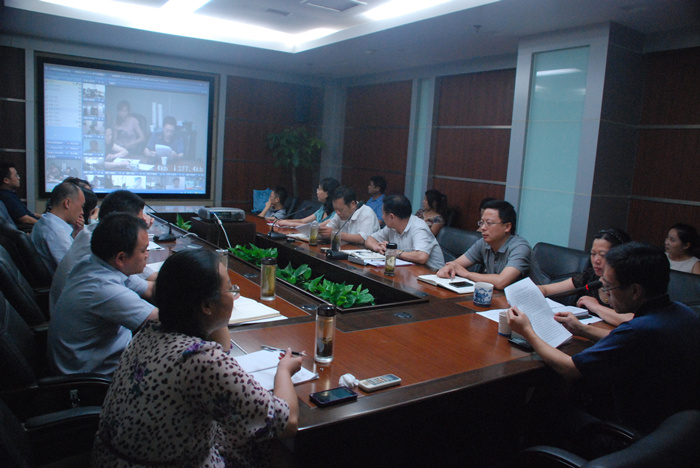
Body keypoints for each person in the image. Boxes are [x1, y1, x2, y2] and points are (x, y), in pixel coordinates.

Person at [92, 249, 303, 466]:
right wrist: (283, 370)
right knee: (276, 448)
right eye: (230, 289)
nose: (233, 296)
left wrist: (215, 315)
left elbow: (222, 350)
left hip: (112, 458)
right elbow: (287, 422)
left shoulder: (151, 330)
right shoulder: (201, 360)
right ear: (206, 305)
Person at [508, 242, 700, 433]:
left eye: (608, 286)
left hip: (629, 429)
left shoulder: (638, 330)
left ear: (635, 291)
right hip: (678, 427)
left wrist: (527, 331)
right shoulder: (682, 312)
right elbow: (623, 340)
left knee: (542, 403)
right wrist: (582, 329)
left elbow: (569, 368)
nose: (606, 293)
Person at [48, 213, 158, 375]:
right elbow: (162, 321)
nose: (147, 255)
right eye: (143, 251)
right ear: (121, 258)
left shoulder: (95, 263)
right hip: (96, 377)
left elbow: (149, 289)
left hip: (108, 355)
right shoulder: (103, 288)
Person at [50, 190, 155, 312]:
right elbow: (150, 281)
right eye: (139, 221)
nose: (142, 224)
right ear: (122, 221)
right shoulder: (106, 247)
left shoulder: (93, 234)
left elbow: (146, 285)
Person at [538, 228, 633, 326]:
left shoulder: (628, 287)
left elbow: (634, 320)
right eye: (593, 254)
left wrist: (596, 307)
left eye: (602, 255)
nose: (596, 260)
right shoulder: (590, 277)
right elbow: (546, 289)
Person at [436, 199, 530, 289]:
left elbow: (501, 282)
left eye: (489, 223)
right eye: (481, 223)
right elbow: (456, 264)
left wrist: (467, 274)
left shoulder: (520, 247)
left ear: (507, 227)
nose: (483, 228)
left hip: (521, 298)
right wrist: (450, 267)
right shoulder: (484, 243)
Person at [365, 194, 445, 270]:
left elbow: (421, 257)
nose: (382, 217)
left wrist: (394, 252)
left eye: (383, 213)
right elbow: (370, 239)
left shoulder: (419, 228)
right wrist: (378, 247)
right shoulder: (391, 227)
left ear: (392, 217)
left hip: (431, 273)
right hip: (409, 270)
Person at [31, 181, 85, 274]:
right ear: (67, 203)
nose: (82, 212)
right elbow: (76, 271)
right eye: (81, 206)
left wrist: (75, 235)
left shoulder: (45, 221)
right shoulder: (56, 232)